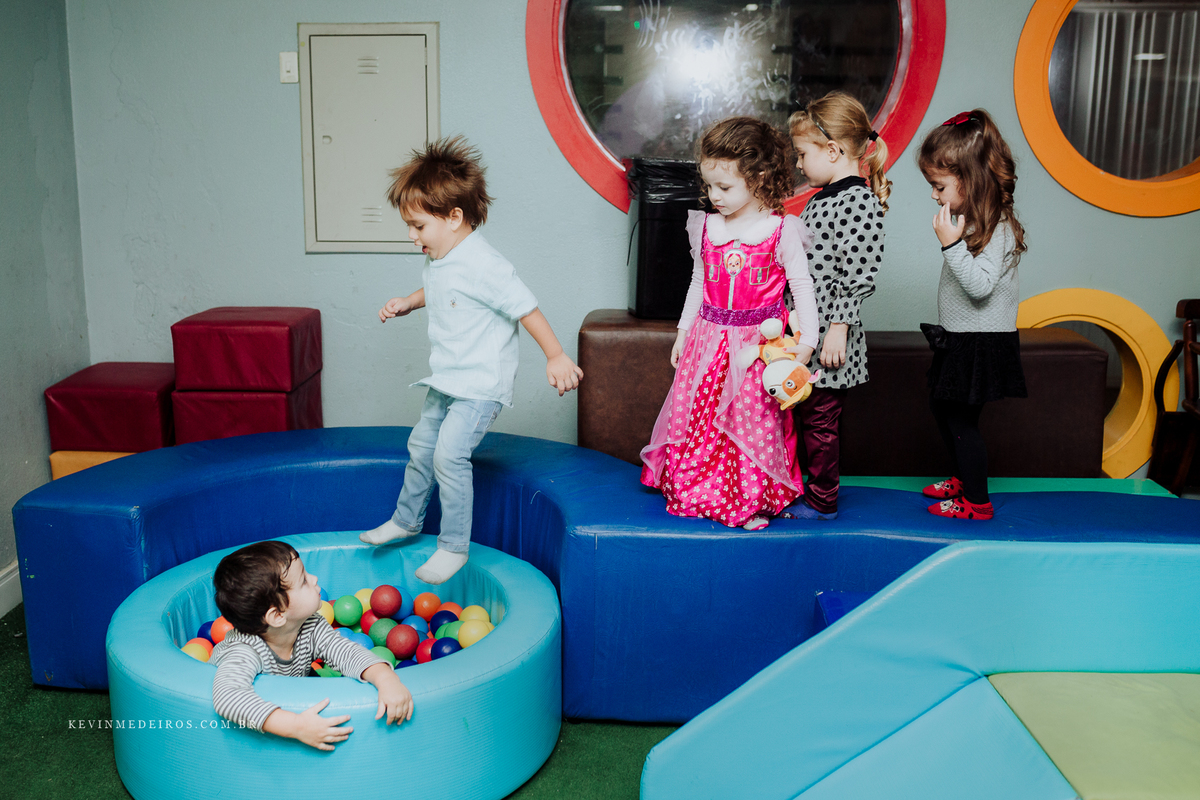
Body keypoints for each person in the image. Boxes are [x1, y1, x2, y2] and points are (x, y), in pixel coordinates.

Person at [360, 137, 583, 582]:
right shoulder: (442, 255)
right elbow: (445, 289)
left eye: (418, 226)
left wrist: (555, 355)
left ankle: (453, 547)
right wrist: (409, 301)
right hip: (446, 379)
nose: (411, 235)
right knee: (420, 446)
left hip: (480, 385)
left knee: (448, 454)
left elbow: (526, 308)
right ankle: (406, 521)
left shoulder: (485, 263)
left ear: (454, 217)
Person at [640, 116, 820, 531]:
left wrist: (806, 343)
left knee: (750, 419)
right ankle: (698, 487)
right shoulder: (708, 227)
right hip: (708, 338)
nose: (714, 196)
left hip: (756, 344)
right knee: (700, 416)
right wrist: (683, 331)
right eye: (709, 186)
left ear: (758, 178)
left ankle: (750, 496)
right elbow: (699, 282)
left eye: (724, 187)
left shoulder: (780, 230)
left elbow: (802, 288)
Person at [917, 109, 1028, 520]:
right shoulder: (972, 222)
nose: (934, 195)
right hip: (962, 337)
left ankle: (978, 504)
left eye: (938, 185)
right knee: (941, 408)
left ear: (969, 179)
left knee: (961, 422)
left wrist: (950, 246)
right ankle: (964, 478)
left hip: (981, 342)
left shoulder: (997, 228)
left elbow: (980, 287)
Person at [787, 91, 891, 520]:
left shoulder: (859, 201)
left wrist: (838, 328)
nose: (798, 163)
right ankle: (798, 487)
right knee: (801, 414)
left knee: (820, 422)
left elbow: (860, 273)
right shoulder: (821, 198)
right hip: (806, 331)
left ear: (831, 151)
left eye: (802, 154)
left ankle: (823, 500)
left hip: (831, 338)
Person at [208, 541, 413, 750]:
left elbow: (346, 652)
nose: (314, 579)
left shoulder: (311, 626)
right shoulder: (245, 651)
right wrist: (296, 726)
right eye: (304, 581)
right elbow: (228, 697)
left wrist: (386, 678)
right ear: (278, 615)